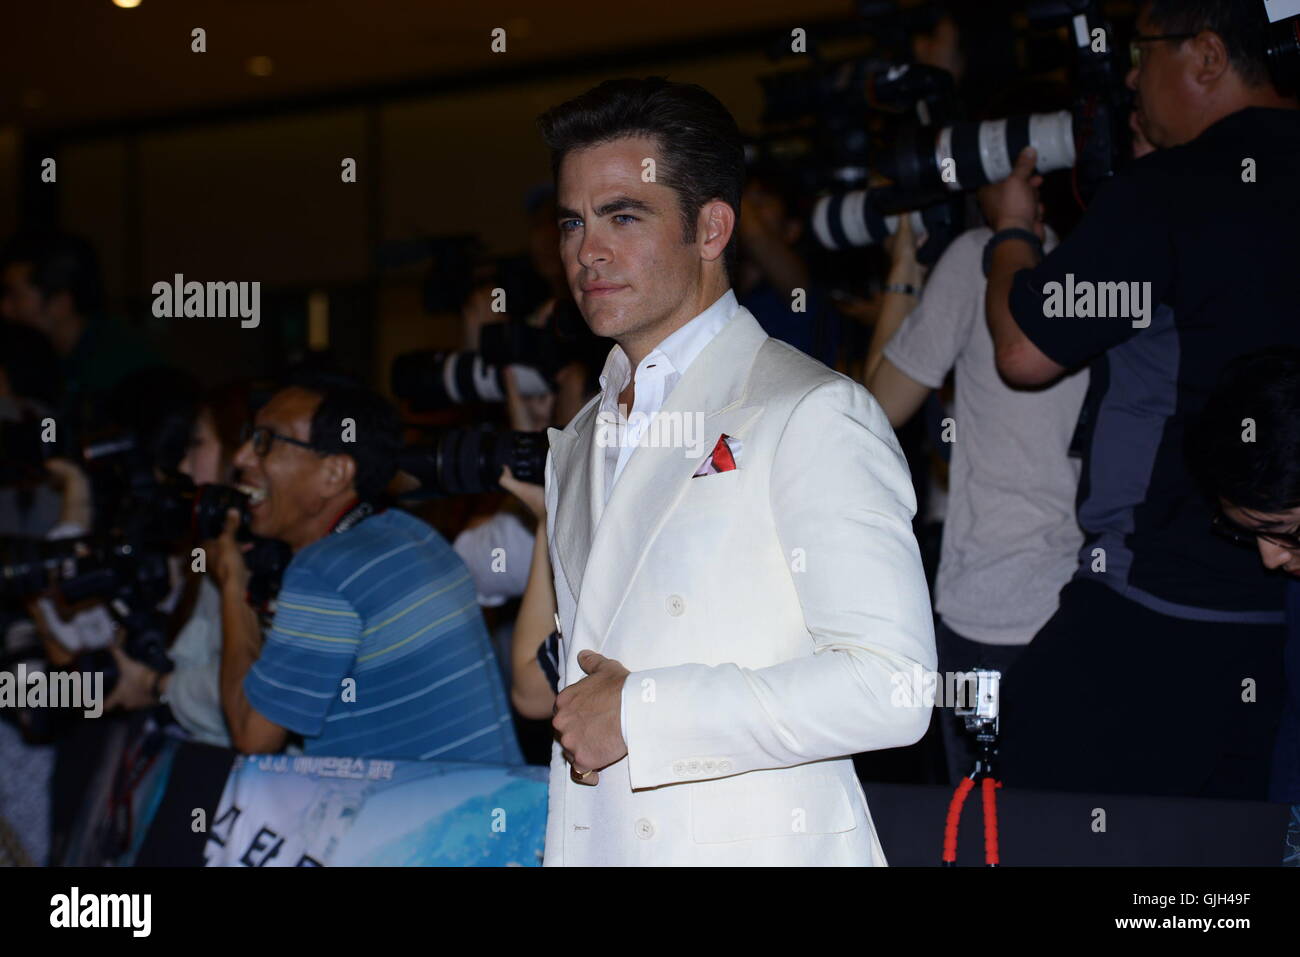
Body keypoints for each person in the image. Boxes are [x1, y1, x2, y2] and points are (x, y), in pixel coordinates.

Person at [535, 76, 935, 866]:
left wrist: (644, 712)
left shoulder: (811, 410)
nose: (590, 250)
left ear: (712, 227)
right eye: (574, 222)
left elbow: (895, 689)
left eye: (625, 215)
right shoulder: (577, 438)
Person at [979, 0, 1300, 797]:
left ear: (1206, 57)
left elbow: (1025, 352)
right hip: (1277, 617)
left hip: (1161, 596)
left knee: (1027, 796)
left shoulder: (1173, 190)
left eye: (1142, 50)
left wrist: (1011, 232)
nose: (1128, 73)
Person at [209, 376, 523, 763]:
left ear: (334, 474)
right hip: (481, 808)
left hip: (409, 819)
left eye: (265, 441)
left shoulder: (324, 571)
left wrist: (230, 579)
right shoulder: (416, 535)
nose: (240, 457)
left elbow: (251, 733)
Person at [0, 232, 158, 432]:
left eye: (15, 296)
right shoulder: (55, 360)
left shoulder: (114, 369)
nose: (5, 308)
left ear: (60, 303)